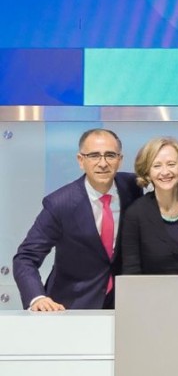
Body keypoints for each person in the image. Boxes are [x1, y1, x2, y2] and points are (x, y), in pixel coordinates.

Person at [13, 129, 142, 311]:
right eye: (94, 155)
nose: (103, 163)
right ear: (81, 160)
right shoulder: (60, 204)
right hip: (71, 305)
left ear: (120, 160)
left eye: (110, 155)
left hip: (121, 304)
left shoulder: (132, 187)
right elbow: (25, 257)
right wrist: (37, 298)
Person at [121, 137, 178, 275]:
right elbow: (131, 271)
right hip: (150, 289)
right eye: (157, 166)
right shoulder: (135, 214)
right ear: (147, 172)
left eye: (171, 164)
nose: (165, 172)